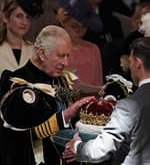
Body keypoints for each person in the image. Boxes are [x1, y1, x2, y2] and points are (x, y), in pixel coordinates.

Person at [63, 37, 150, 165]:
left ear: (138, 63)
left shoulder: (129, 106)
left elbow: (101, 150)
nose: (130, 67)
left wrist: (77, 146)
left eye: (130, 61)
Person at [0, 25, 95, 165]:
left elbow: (68, 123)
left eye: (68, 56)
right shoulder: (17, 84)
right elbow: (25, 135)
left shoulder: (60, 79)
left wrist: (74, 145)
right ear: (42, 53)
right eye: (61, 56)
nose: (66, 63)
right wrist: (67, 114)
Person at [56, 7, 103, 87]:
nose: (79, 30)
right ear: (64, 23)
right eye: (74, 26)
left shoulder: (93, 49)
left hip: (90, 97)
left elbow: (98, 84)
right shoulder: (55, 47)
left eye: (84, 26)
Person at [0, 0, 43, 75]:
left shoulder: (35, 52)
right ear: (6, 18)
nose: (24, 22)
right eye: (19, 16)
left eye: (27, 17)